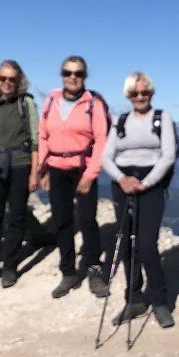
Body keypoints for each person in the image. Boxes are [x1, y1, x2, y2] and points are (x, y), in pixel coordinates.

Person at [101, 71, 177, 328]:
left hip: (150, 185)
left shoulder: (162, 118)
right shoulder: (120, 121)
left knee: (146, 245)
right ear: (128, 95)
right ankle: (134, 300)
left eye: (145, 92)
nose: (140, 96)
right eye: (135, 93)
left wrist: (145, 183)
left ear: (151, 93)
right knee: (127, 244)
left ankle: (159, 301)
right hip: (122, 183)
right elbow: (105, 157)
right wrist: (123, 180)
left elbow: (168, 155)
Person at [38, 55, 110, 299]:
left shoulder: (94, 104)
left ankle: (93, 268)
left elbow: (101, 140)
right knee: (62, 221)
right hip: (57, 168)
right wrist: (42, 169)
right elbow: (43, 136)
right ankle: (68, 272)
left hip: (82, 168)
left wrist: (91, 174)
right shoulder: (51, 101)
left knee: (88, 220)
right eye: (68, 72)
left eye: (78, 73)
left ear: (84, 77)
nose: (72, 77)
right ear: (61, 75)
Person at [0, 60, 39, 288]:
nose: (7, 83)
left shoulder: (27, 103)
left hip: (20, 165)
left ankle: (9, 266)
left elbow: (35, 140)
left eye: (12, 79)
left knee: (17, 216)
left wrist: (34, 172)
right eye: (3, 78)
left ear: (19, 80)